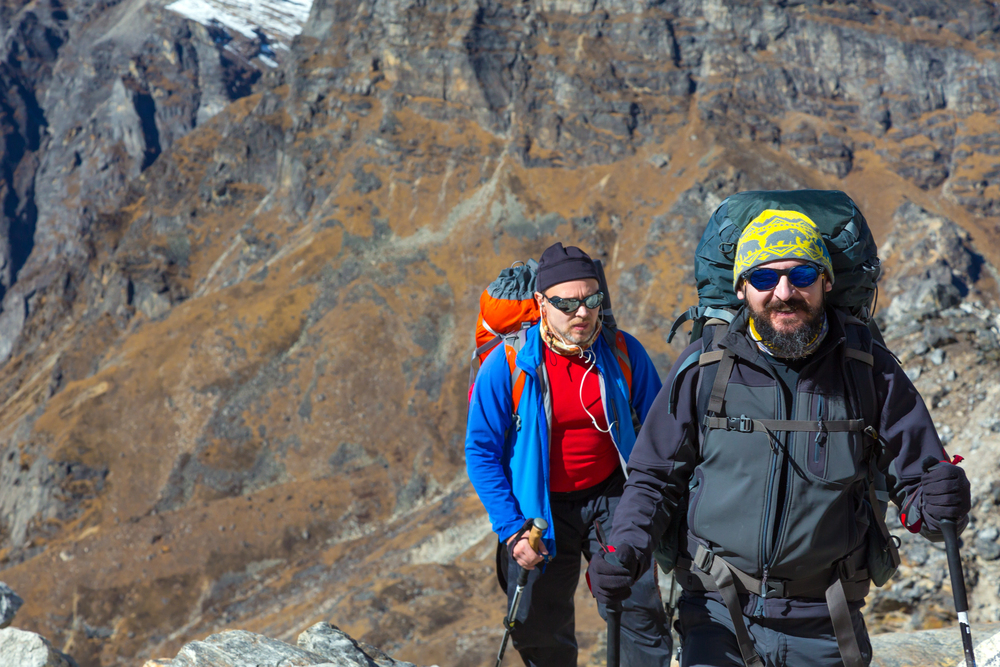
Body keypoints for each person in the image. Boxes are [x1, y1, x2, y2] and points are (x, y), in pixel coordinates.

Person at [587, 210, 972, 667]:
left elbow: (919, 489)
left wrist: (940, 502)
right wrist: (624, 547)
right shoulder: (705, 368)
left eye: (802, 274)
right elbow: (653, 479)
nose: (784, 293)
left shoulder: (870, 370)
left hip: (827, 617)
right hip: (717, 612)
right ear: (741, 288)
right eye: (765, 277)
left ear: (826, 283)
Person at [466, 242, 673, 667]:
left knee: (638, 613)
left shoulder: (623, 352)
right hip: (537, 511)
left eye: (591, 300)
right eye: (567, 303)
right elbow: (481, 451)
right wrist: (512, 530)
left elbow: (660, 434)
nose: (582, 312)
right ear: (541, 302)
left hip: (614, 498)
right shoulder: (509, 364)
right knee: (539, 628)